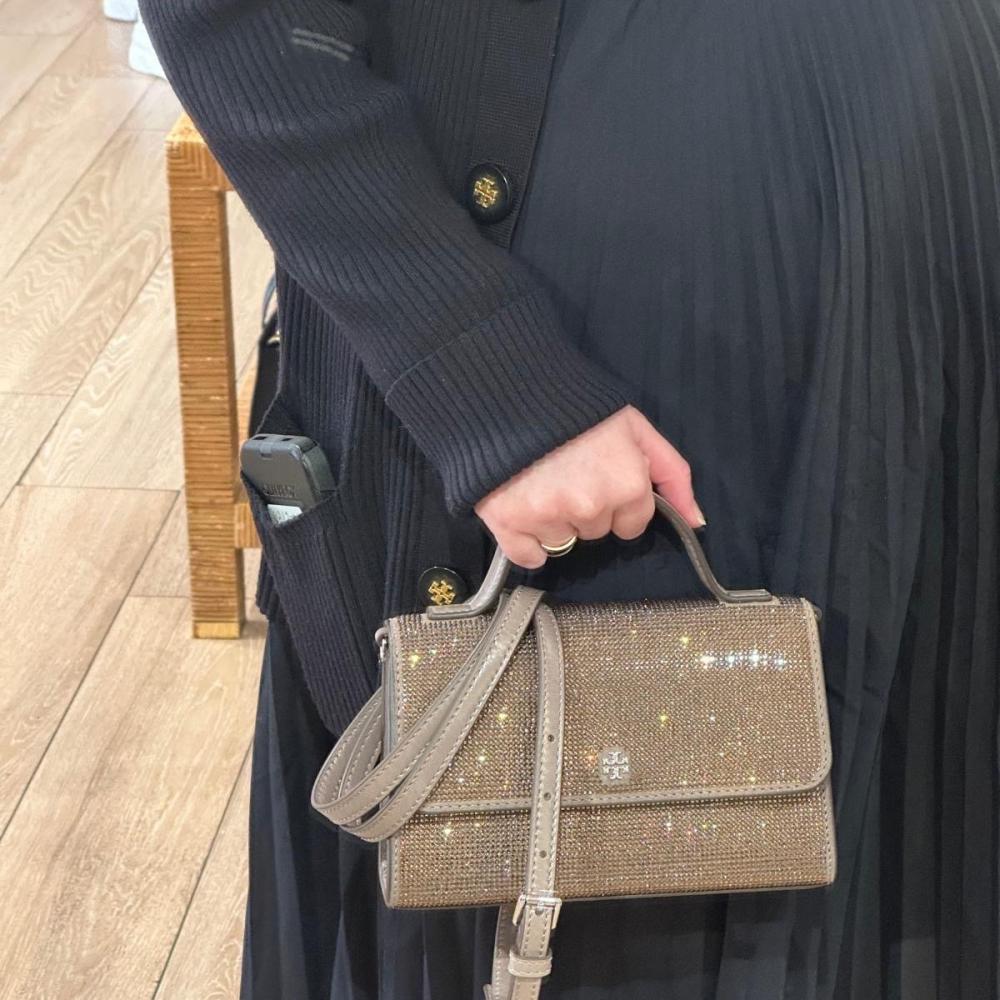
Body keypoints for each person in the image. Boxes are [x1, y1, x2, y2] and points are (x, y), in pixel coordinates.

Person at [140, 2, 1000, 998]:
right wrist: (480, 371)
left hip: (930, 223)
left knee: (908, 823)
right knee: (583, 829)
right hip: (557, 322)